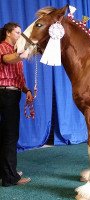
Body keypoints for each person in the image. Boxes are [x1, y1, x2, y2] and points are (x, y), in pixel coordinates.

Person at [0, 22, 33, 186]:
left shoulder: (15, 52)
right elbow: (7, 60)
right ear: (8, 33)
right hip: (5, 94)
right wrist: (22, 54)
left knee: (6, 135)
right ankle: (10, 177)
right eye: (17, 32)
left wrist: (26, 90)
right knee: (10, 136)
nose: (20, 35)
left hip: (11, 94)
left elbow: (19, 79)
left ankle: (6, 171)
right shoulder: (3, 48)